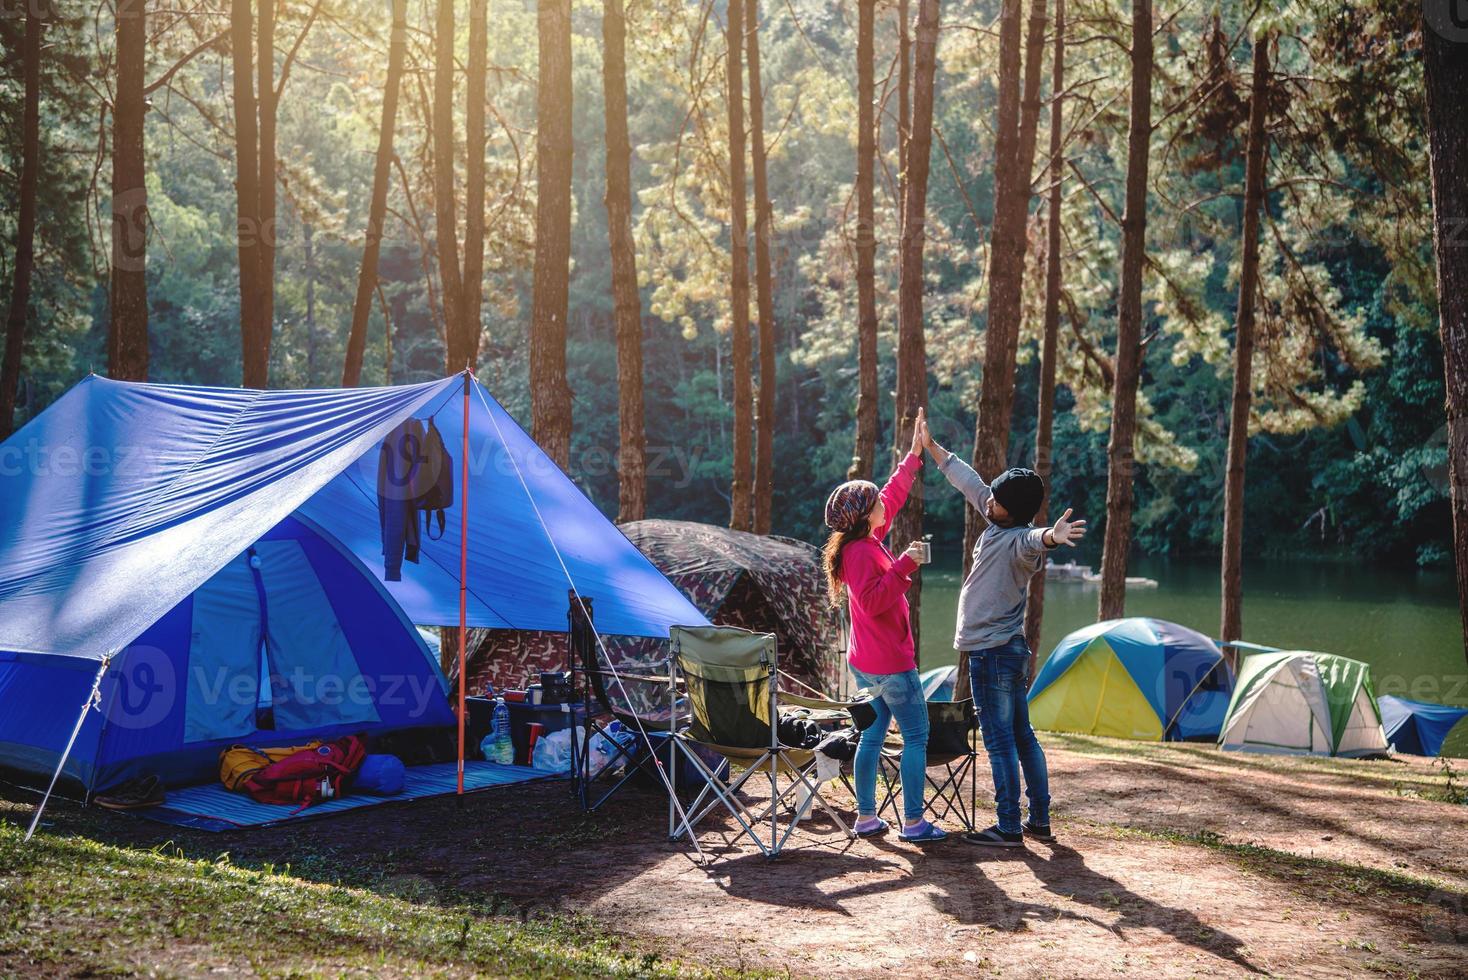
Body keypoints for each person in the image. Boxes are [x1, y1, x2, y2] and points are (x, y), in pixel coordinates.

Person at [922, 428, 1086, 847]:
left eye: (995, 501)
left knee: (999, 741)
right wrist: (932, 448)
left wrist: (1053, 535)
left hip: (993, 654)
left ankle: (1010, 826)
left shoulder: (1018, 542)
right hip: (1006, 650)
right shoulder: (997, 519)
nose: (987, 501)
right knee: (1022, 735)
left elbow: (1038, 538)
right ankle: (1040, 822)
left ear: (1012, 512)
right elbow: (970, 482)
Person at [822, 409, 947, 843]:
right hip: (890, 665)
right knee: (916, 737)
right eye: (874, 502)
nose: (882, 504)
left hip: (867, 664)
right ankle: (914, 823)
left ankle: (867, 817)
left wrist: (914, 455)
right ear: (863, 515)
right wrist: (906, 563)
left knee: (871, 738)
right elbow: (874, 602)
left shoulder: (865, 540)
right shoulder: (861, 554)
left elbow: (891, 496)